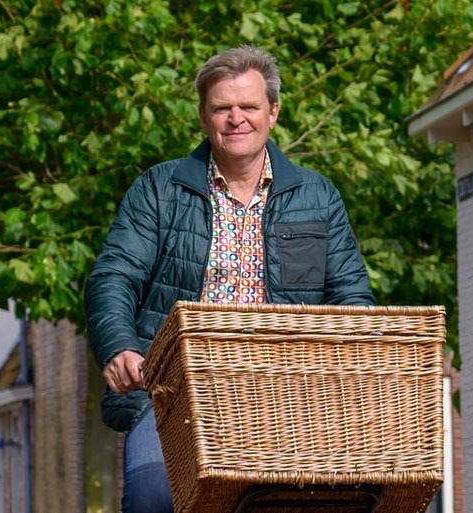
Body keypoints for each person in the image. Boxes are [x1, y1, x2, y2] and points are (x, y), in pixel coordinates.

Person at [84, 45, 375, 513]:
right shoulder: (158, 191)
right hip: (174, 397)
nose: (236, 118)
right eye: (222, 108)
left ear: (273, 113)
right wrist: (119, 345)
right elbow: (114, 276)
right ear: (203, 117)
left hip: (291, 397)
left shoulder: (319, 197)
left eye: (249, 107)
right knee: (154, 496)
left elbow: (352, 296)